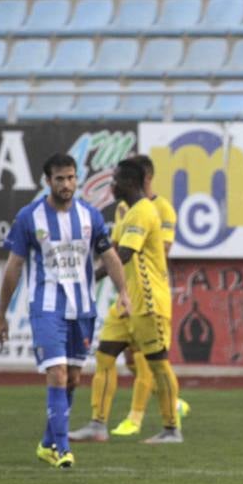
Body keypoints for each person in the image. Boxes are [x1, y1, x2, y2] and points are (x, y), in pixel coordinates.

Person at [0, 153, 127, 469]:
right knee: (57, 372)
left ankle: (47, 443)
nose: (66, 184)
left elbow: (109, 257)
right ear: (47, 181)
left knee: (73, 378)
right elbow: (13, 268)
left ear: (76, 178)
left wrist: (124, 293)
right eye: (59, 179)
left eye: (70, 178)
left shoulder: (90, 216)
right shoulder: (29, 217)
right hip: (46, 306)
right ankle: (63, 448)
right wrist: (1, 314)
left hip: (82, 306)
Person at [70, 154, 189, 442]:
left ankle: (172, 428)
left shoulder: (145, 212)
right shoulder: (127, 211)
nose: (112, 185)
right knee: (105, 356)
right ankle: (98, 424)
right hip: (126, 302)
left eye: (117, 180)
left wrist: (87, 279)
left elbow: (124, 255)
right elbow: (112, 249)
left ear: (132, 182)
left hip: (148, 301)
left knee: (158, 363)